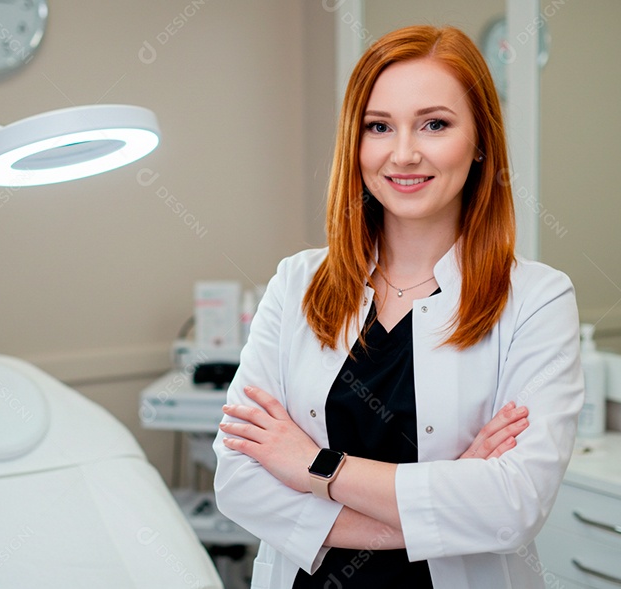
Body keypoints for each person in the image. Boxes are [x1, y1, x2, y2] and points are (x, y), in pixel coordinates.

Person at [213, 24, 583, 588]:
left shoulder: (536, 299)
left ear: (480, 140)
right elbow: (238, 479)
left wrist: (316, 466)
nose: (404, 153)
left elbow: (512, 508)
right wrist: (439, 500)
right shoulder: (297, 282)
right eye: (379, 127)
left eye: (434, 124)